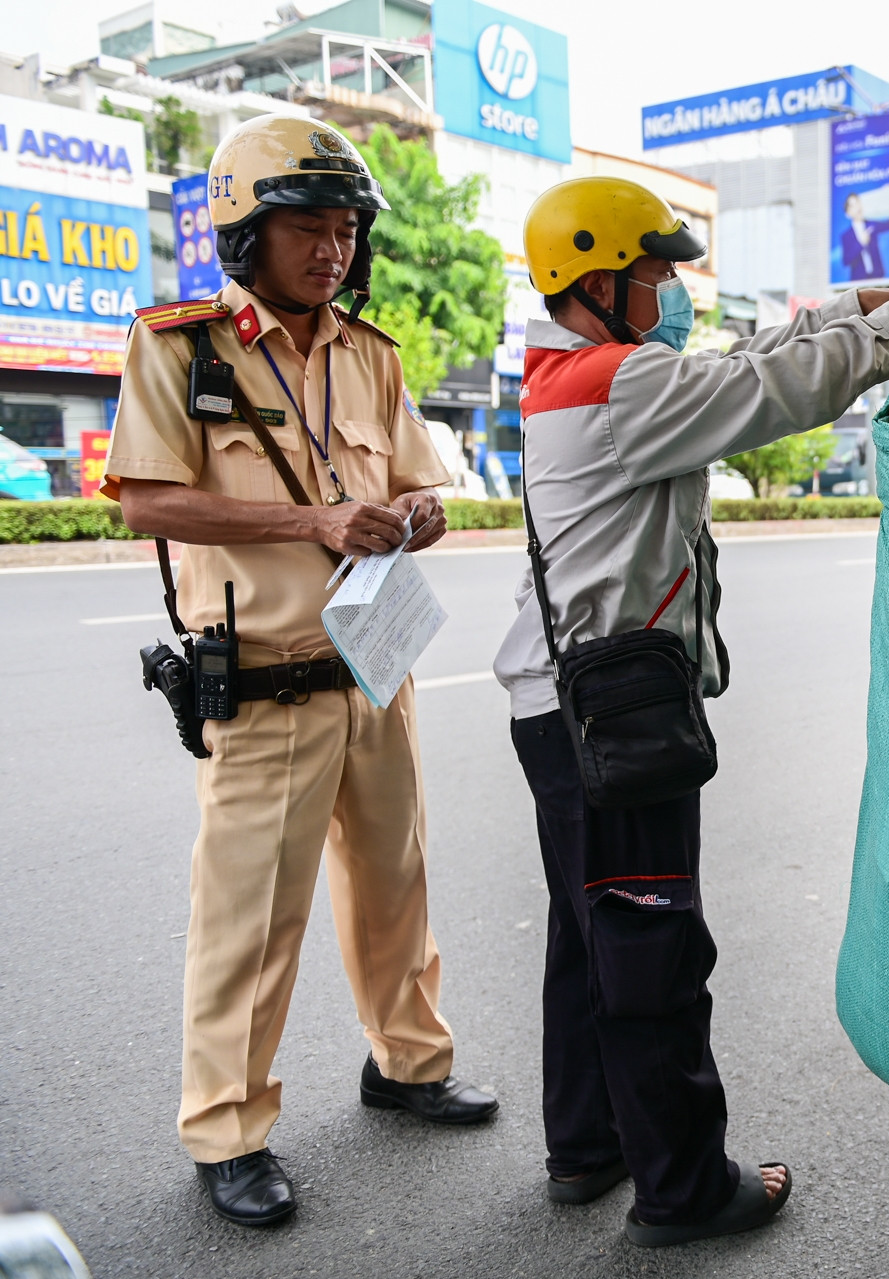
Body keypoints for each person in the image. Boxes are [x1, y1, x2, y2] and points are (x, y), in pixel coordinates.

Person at [495, 175, 889, 1249]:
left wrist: (868, 300)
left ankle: (589, 1145)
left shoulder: (585, 374)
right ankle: (683, 1188)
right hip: (608, 715)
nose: (671, 288)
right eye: (655, 271)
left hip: (559, 706)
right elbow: (772, 390)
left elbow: (748, 355)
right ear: (599, 278)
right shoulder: (617, 386)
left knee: (589, 936)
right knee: (649, 942)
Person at [103, 115, 496, 1227]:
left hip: (375, 665)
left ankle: (409, 1061)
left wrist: (412, 515)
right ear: (246, 235)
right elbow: (146, 499)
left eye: (342, 233)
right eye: (306, 232)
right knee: (250, 919)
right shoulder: (181, 347)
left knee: (396, 883)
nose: (331, 252)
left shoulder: (371, 355)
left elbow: (425, 486)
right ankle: (227, 1129)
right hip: (265, 677)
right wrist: (312, 516)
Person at [838, 193, 889, 280]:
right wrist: (861, 244)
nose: (857, 207)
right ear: (848, 213)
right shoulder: (846, 236)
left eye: (858, 202)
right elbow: (846, 261)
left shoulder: (872, 225)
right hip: (859, 282)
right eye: (853, 205)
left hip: (878, 278)